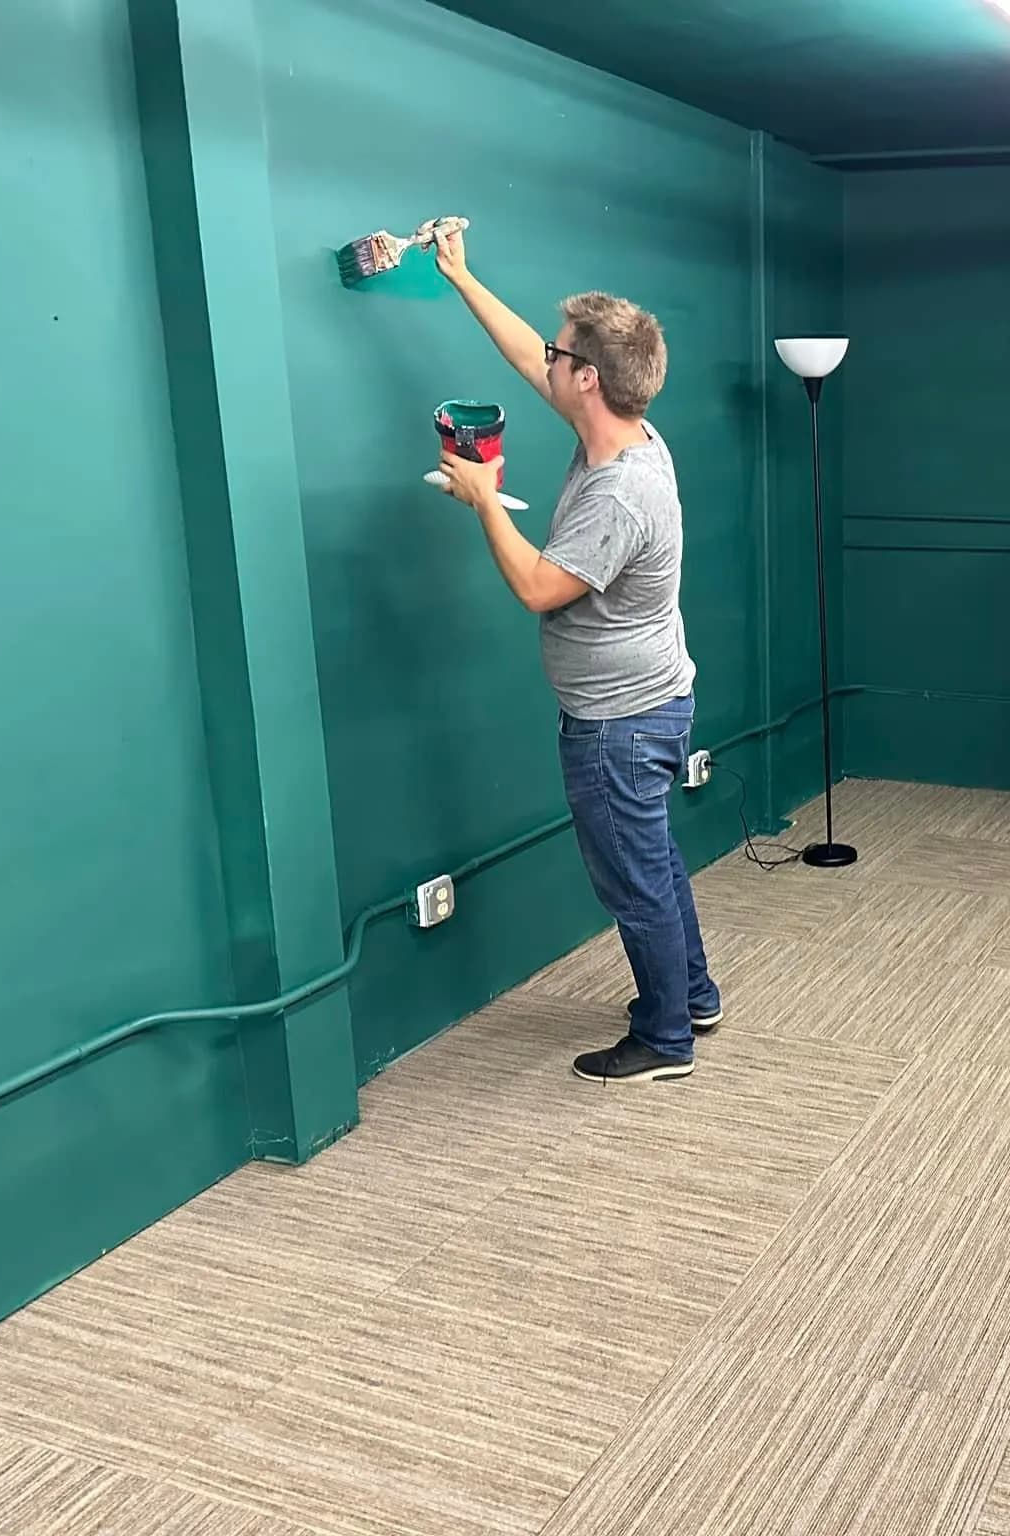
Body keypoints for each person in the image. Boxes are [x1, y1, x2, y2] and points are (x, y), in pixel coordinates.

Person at [432, 226, 718, 1083]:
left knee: (633, 882)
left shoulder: (619, 494)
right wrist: (459, 275)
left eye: (563, 356)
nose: (547, 362)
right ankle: (692, 993)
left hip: (618, 726)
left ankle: (666, 1039)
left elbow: (536, 588)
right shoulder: (626, 429)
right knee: (655, 858)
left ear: (587, 378)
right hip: (652, 703)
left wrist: (482, 498)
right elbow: (531, 355)